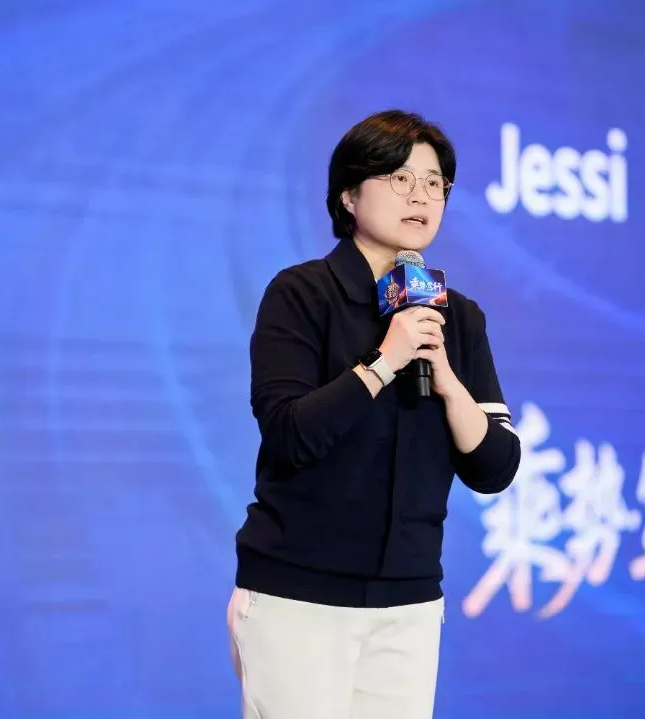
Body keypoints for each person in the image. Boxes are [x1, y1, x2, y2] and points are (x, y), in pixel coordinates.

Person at [227, 109, 522, 719]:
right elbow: (290, 435)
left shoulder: (457, 318)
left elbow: (495, 467)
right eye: (399, 178)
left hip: (410, 604)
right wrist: (385, 361)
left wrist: (447, 381)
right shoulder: (301, 294)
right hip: (299, 598)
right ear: (349, 195)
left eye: (435, 183)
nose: (421, 196)